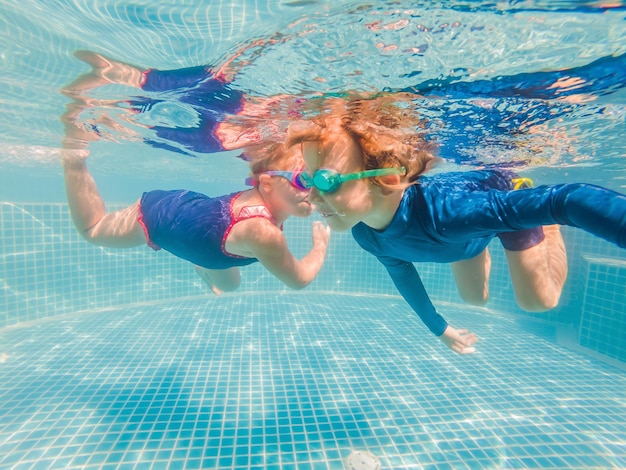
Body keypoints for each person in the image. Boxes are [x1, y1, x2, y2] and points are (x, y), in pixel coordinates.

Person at [287, 98, 626, 354]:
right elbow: (403, 275)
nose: (312, 197)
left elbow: (568, 200)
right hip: (463, 231)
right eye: (306, 180)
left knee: (539, 301)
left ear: (387, 178)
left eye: (327, 181)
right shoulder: (366, 234)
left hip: (489, 203)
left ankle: (537, 218)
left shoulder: (447, 213)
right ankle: (487, 230)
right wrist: (440, 328)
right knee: (474, 298)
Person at [60, 106, 331, 295]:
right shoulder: (263, 232)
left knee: (229, 287)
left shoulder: (265, 210)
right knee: (93, 231)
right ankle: (73, 159)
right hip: (158, 216)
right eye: (302, 180)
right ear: (267, 183)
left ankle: (200, 261)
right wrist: (319, 246)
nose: (313, 190)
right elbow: (299, 280)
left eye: (317, 179)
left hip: (204, 230)